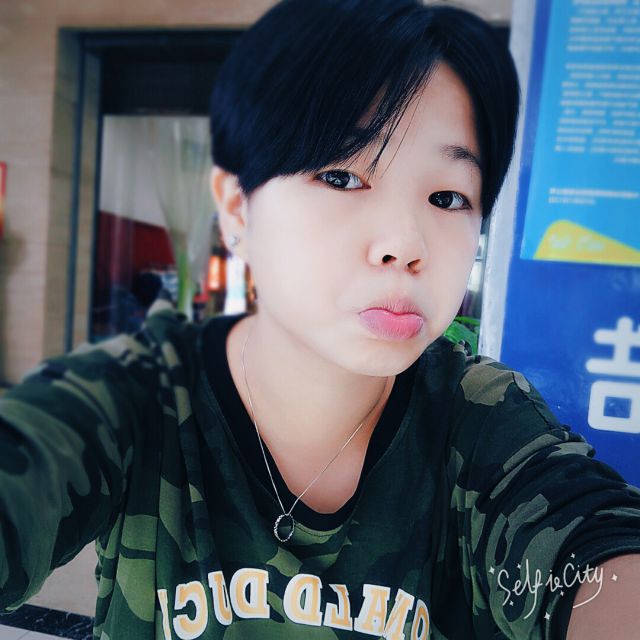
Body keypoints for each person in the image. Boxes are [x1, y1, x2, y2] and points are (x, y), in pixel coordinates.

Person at [1, 1, 639, 638]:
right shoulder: (137, 397)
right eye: (341, 176)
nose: (405, 243)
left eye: (448, 196)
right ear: (238, 210)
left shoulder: (479, 420)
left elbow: (589, 540)